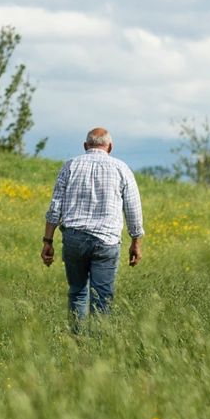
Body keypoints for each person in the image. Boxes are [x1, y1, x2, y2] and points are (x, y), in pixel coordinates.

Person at [39, 127, 144, 325]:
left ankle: (77, 341)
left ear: (86, 146)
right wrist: (135, 242)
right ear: (110, 147)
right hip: (107, 241)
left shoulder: (70, 166)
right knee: (102, 296)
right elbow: (133, 208)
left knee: (77, 291)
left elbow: (55, 207)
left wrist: (48, 240)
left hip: (74, 238)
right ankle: (99, 342)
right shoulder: (121, 168)